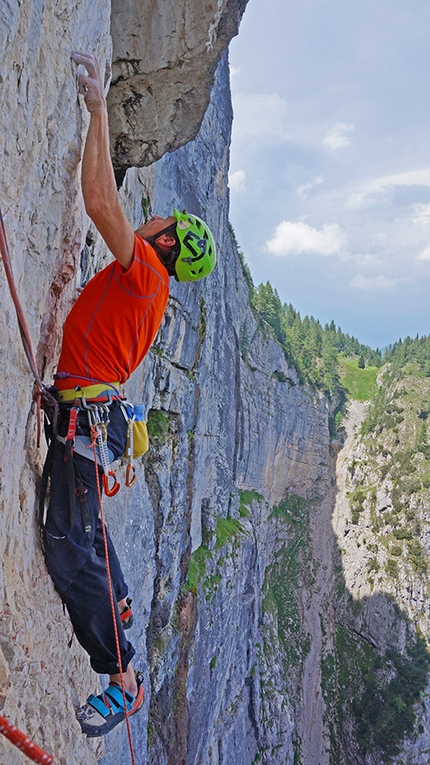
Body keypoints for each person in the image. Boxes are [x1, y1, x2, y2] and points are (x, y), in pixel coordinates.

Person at [40, 50, 216, 738]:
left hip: (88, 414)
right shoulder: (146, 287)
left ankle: (121, 675)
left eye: (158, 222)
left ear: (165, 237)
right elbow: (97, 196)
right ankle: (122, 640)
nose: (148, 223)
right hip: (89, 411)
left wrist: (97, 109)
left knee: (67, 544)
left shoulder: (144, 271)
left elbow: (99, 201)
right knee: (84, 537)